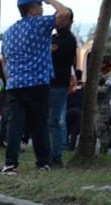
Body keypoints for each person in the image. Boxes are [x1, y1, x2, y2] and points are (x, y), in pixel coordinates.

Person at [0, 0, 71, 174]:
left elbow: (4, 60)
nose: (42, 7)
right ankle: (42, 162)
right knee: (39, 124)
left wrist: (10, 78)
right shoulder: (39, 24)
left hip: (14, 84)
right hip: (37, 82)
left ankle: (10, 163)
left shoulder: (9, 32)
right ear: (32, 9)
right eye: (40, 5)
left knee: (14, 125)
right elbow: (65, 14)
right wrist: (52, 0)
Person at [48, 8, 77, 167]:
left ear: (69, 21)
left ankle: (56, 156)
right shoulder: (51, 38)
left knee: (55, 120)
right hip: (47, 83)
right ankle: (50, 153)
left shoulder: (69, 40)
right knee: (49, 120)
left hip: (59, 84)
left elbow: (59, 58)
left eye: (61, 19)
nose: (57, 21)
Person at [96, 54, 111, 154]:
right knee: (97, 128)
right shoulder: (102, 75)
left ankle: (104, 149)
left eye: (103, 64)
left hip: (105, 106)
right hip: (98, 105)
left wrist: (93, 87)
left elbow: (104, 90)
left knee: (101, 127)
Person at [66, 68, 83, 150]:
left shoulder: (70, 87)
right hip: (79, 111)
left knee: (66, 128)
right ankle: (72, 146)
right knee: (75, 131)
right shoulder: (83, 88)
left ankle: (65, 144)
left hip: (69, 110)